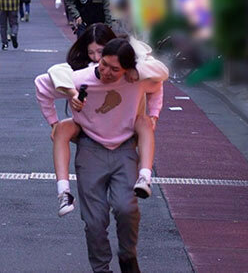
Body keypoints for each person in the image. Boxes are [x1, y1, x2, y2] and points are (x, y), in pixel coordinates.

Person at [35, 38, 166, 273]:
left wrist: (154, 114)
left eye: (114, 69)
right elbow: (42, 85)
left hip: (124, 149)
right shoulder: (82, 79)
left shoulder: (135, 79)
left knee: (127, 209)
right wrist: (54, 122)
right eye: (104, 64)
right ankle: (101, 268)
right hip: (90, 148)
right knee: (94, 221)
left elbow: (158, 82)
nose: (105, 72)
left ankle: (127, 255)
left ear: (127, 70)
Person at [45, 24, 168, 217]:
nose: (95, 58)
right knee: (62, 129)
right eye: (91, 53)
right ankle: (64, 192)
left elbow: (159, 77)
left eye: (100, 52)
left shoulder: (132, 65)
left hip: (125, 128)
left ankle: (145, 177)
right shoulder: (85, 72)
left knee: (125, 208)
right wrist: (59, 112)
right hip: (90, 128)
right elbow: (49, 79)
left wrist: (153, 113)